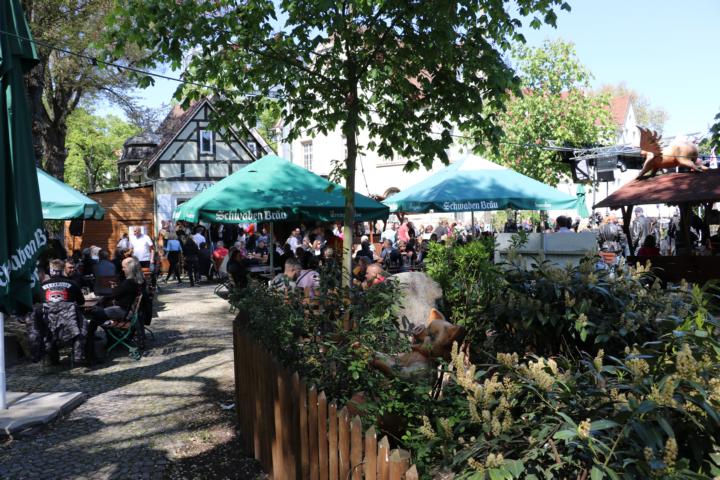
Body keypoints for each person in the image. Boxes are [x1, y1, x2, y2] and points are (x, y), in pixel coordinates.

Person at [86, 257, 146, 365]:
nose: (122, 269)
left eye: (124, 267)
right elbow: (120, 294)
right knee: (98, 312)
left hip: (123, 312)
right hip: (128, 311)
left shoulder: (129, 282)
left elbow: (114, 295)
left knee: (95, 314)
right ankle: (105, 339)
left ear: (130, 269)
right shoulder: (139, 281)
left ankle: (89, 344)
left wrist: (114, 287)